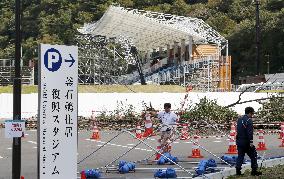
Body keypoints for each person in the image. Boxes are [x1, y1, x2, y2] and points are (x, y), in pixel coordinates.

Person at [236, 107, 262, 176]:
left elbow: (238, 130)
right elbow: (249, 133)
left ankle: (238, 172)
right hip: (246, 142)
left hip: (239, 141)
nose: (252, 115)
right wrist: (251, 142)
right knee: (253, 155)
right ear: (250, 113)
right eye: (252, 113)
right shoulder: (249, 120)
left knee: (240, 156)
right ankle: (254, 171)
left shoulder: (239, 119)